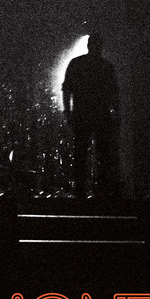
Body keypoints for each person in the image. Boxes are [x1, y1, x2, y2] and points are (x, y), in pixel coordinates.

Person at [62, 33, 120, 198]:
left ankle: (80, 188)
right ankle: (101, 188)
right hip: (100, 114)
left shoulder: (77, 64)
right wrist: (117, 113)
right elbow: (114, 93)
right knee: (102, 153)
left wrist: (68, 112)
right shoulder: (106, 66)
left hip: (82, 114)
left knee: (81, 152)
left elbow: (67, 89)